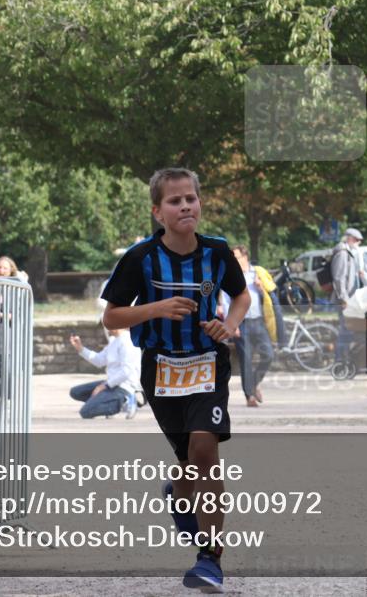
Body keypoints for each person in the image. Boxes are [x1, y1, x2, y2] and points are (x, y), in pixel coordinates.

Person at [101, 167, 249, 593]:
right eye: (174, 200)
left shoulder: (218, 252)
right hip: (161, 370)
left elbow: (240, 296)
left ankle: (210, 558)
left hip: (207, 363)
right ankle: (178, 488)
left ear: (200, 203)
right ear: (157, 212)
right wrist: (156, 309)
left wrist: (230, 325)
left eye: (191, 198)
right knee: (190, 459)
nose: (185, 205)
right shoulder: (140, 258)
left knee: (205, 449)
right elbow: (111, 315)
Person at [228, 244, 281, 407]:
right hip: (241, 322)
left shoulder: (258, 273)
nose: (233, 260)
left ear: (245, 257)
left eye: (235, 257)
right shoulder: (231, 275)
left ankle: (255, 382)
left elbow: (269, 295)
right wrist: (232, 324)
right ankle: (249, 396)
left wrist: (260, 288)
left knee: (269, 355)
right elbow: (226, 298)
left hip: (259, 320)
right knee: (246, 360)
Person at [68, 327, 142, 419]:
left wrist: (104, 386)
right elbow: (99, 360)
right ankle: (109, 403)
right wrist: (80, 348)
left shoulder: (128, 342)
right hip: (111, 384)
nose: (106, 327)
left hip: (124, 387)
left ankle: (126, 401)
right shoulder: (114, 341)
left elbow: (127, 371)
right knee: (76, 392)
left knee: (86, 412)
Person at [331, 228, 364, 364]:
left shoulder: (348, 252)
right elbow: (338, 278)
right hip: (343, 300)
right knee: (345, 331)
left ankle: (343, 359)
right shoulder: (342, 253)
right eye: (356, 240)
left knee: (347, 330)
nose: (358, 243)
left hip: (349, 299)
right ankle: (340, 360)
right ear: (349, 238)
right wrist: (343, 299)